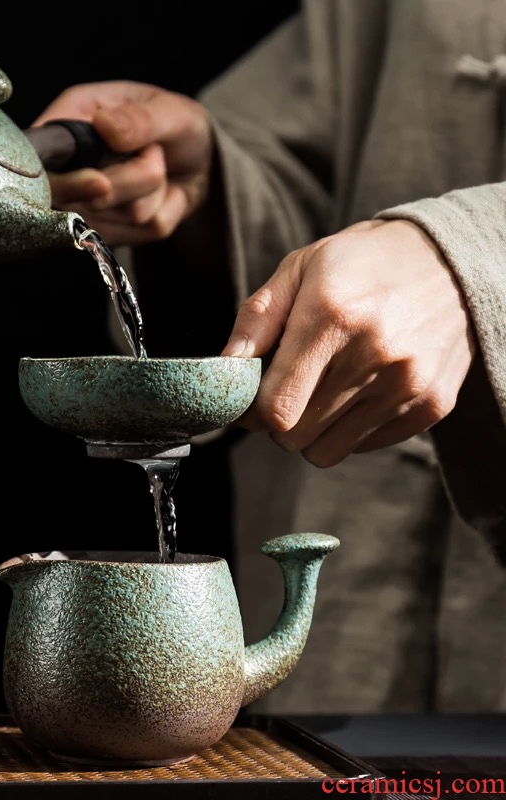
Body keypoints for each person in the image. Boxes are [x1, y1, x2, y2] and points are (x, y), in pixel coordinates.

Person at [32, 0, 506, 713]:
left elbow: (470, 255)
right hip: (343, 657)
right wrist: (209, 190)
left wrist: (474, 257)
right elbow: (307, 173)